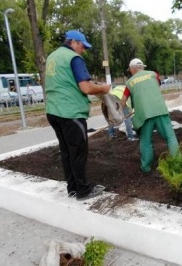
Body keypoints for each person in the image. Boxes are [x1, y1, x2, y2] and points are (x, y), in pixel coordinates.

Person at [45, 30, 111, 200]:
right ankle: (83, 190)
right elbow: (86, 88)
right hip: (70, 112)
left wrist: (92, 83)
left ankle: (72, 188)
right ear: (73, 42)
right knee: (78, 151)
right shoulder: (73, 58)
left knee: (66, 151)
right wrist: (103, 88)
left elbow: (68, 81)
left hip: (53, 111)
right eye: (82, 46)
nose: (83, 50)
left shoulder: (53, 56)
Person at [121, 58, 179, 173]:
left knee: (146, 141)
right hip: (160, 110)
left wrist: (122, 113)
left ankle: (146, 167)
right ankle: (178, 163)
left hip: (144, 114)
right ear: (142, 67)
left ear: (132, 69)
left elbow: (123, 101)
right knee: (170, 137)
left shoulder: (129, 83)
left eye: (130, 70)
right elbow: (155, 86)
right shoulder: (153, 74)